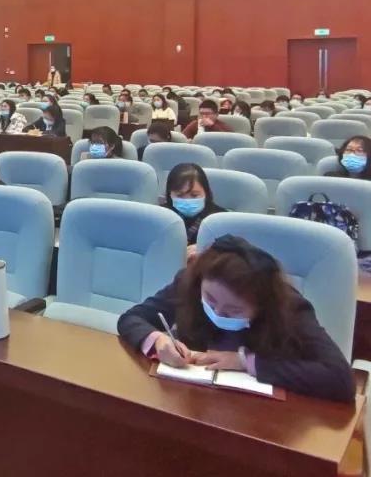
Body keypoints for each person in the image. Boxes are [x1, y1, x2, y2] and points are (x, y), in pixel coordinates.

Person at [117, 235, 354, 402]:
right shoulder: (189, 282)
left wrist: (245, 362)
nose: (218, 313)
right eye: (210, 300)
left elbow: (340, 379)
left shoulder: (290, 308)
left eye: (233, 311)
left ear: (261, 306)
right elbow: (132, 318)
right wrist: (158, 340)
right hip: (193, 401)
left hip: (262, 418)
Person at [163, 163, 226, 250]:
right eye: (180, 195)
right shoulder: (161, 216)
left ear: (206, 192)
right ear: (170, 194)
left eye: (194, 195)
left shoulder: (221, 218)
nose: (187, 200)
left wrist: (205, 248)